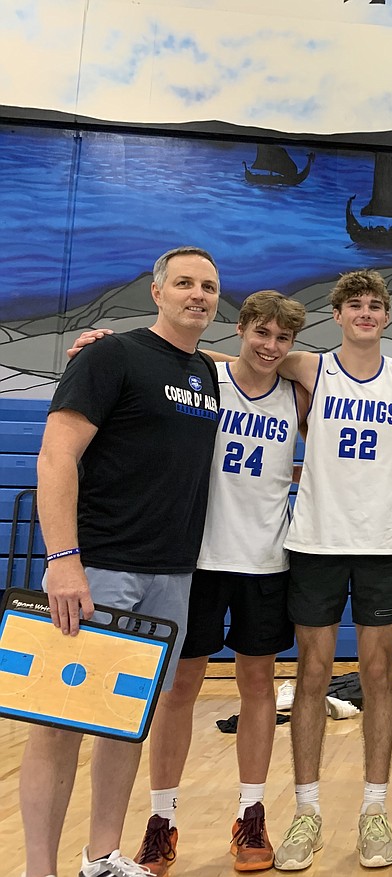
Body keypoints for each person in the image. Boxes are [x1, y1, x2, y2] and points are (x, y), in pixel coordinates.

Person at [22, 246, 222, 877]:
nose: (198, 294)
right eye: (185, 283)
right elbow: (56, 457)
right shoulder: (111, 356)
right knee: (60, 723)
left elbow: (243, 361)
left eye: (209, 287)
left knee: (124, 722)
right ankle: (38, 870)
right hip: (99, 567)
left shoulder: (206, 375)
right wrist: (64, 561)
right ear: (157, 291)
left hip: (173, 574)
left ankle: (102, 856)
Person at [125, 291, 308, 876]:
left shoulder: (298, 396)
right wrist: (98, 341)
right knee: (181, 688)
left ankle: (251, 814)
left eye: (282, 339)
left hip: (265, 562)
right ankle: (161, 820)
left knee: (258, 685)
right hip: (196, 559)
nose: (270, 347)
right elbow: (148, 362)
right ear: (241, 329)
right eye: (262, 333)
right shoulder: (205, 379)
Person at [262, 269, 392, 871]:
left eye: (375, 305)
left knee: (378, 672)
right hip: (315, 542)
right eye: (354, 305)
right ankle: (306, 813)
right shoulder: (310, 367)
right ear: (336, 315)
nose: (365, 313)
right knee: (312, 672)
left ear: (387, 317)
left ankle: (373, 812)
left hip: (385, 545)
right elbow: (235, 354)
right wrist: (113, 338)